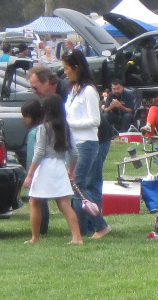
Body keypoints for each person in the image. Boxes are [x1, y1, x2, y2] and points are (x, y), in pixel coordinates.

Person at [61, 49, 111, 240]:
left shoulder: (89, 91)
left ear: (76, 67)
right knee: (76, 185)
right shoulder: (73, 89)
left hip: (87, 143)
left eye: (67, 68)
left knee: (77, 185)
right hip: (75, 143)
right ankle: (83, 228)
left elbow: (94, 120)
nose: (64, 72)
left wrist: (71, 124)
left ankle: (99, 225)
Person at [20, 96, 83, 245]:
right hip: (60, 166)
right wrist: (71, 170)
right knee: (64, 204)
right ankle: (77, 237)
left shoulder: (43, 128)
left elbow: (39, 152)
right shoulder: (65, 127)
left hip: (45, 168)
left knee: (34, 202)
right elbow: (74, 153)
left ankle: (35, 237)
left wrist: (30, 174)